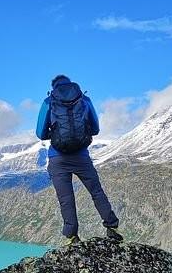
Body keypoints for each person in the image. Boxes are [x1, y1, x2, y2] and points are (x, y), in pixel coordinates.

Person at [36, 74, 123, 245]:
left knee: (66, 199)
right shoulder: (84, 99)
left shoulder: (48, 102)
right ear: (72, 84)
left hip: (57, 158)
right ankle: (112, 227)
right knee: (96, 192)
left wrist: (54, 134)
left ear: (53, 87)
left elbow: (40, 133)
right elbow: (96, 128)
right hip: (82, 157)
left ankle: (72, 236)